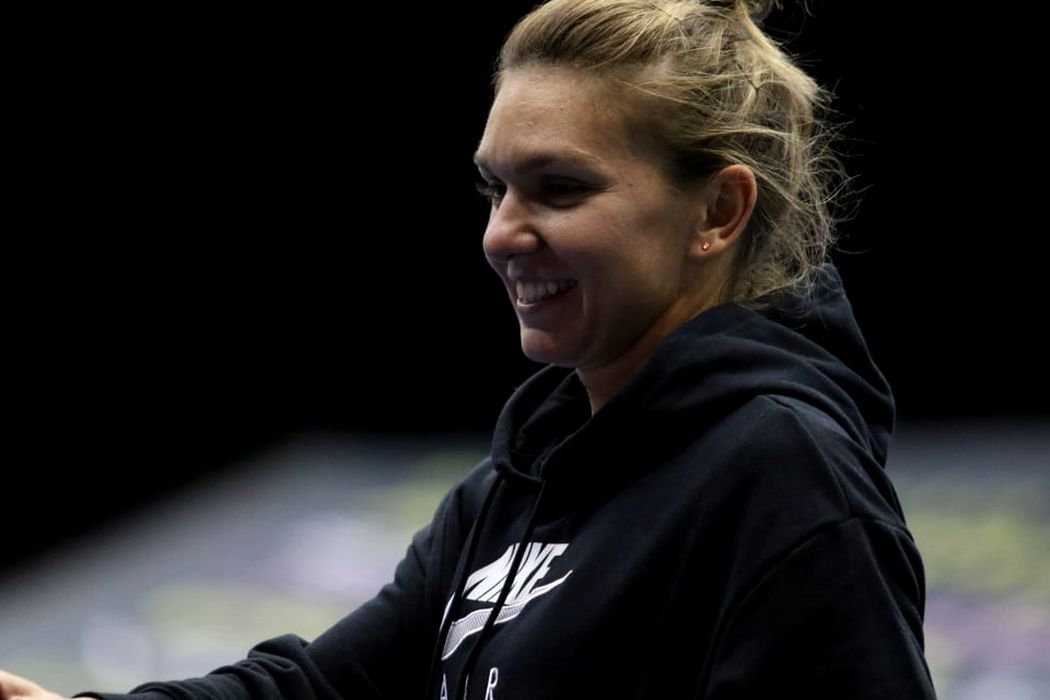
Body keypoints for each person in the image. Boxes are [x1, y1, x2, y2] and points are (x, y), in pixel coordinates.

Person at [1, 0, 936, 697]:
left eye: (559, 189)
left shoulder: (787, 480)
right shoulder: (523, 480)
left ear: (718, 211)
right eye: (496, 189)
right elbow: (329, 688)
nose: (500, 235)